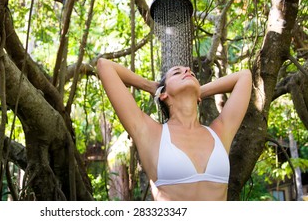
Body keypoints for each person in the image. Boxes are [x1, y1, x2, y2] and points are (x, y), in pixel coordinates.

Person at [96, 58, 252, 201]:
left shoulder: (219, 132)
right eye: (177, 72)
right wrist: (153, 87)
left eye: (191, 73)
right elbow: (105, 66)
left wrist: (196, 91)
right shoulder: (151, 134)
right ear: (163, 94)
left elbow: (244, 76)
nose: (187, 71)